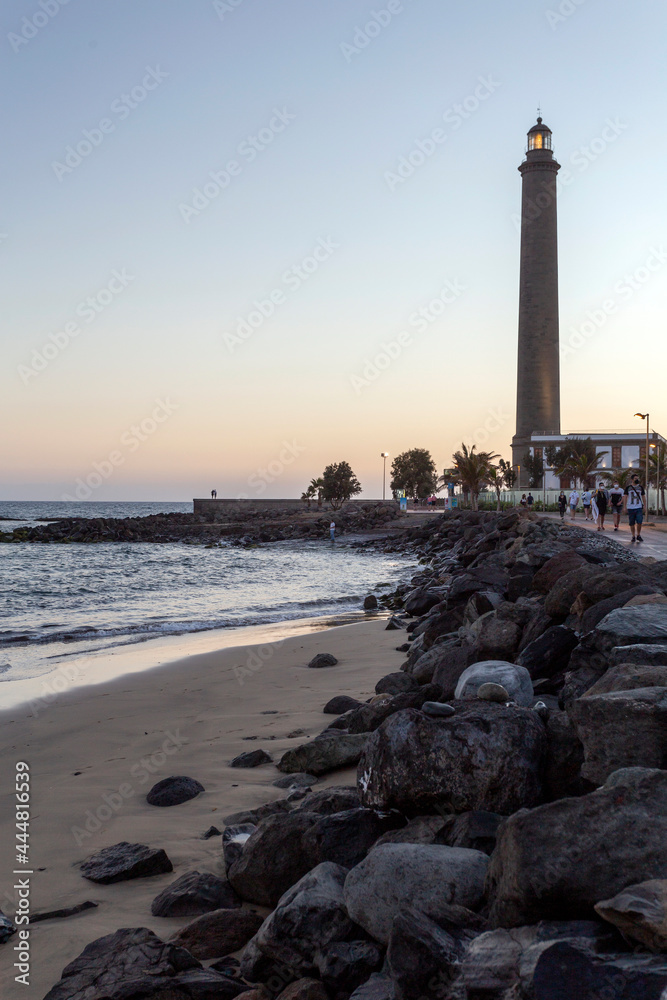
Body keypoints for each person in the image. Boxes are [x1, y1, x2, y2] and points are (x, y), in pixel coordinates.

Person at [624, 476, 645, 543]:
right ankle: (633, 535)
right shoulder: (628, 488)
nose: (637, 479)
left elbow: (643, 497)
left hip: (638, 507)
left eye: (637, 478)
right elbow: (625, 497)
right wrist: (625, 506)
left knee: (639, 521)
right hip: (631, 507)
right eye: (635, 478)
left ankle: (638, 534)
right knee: (632, 522)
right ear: (632, 479)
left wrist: (644, 505)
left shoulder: (640, 487)